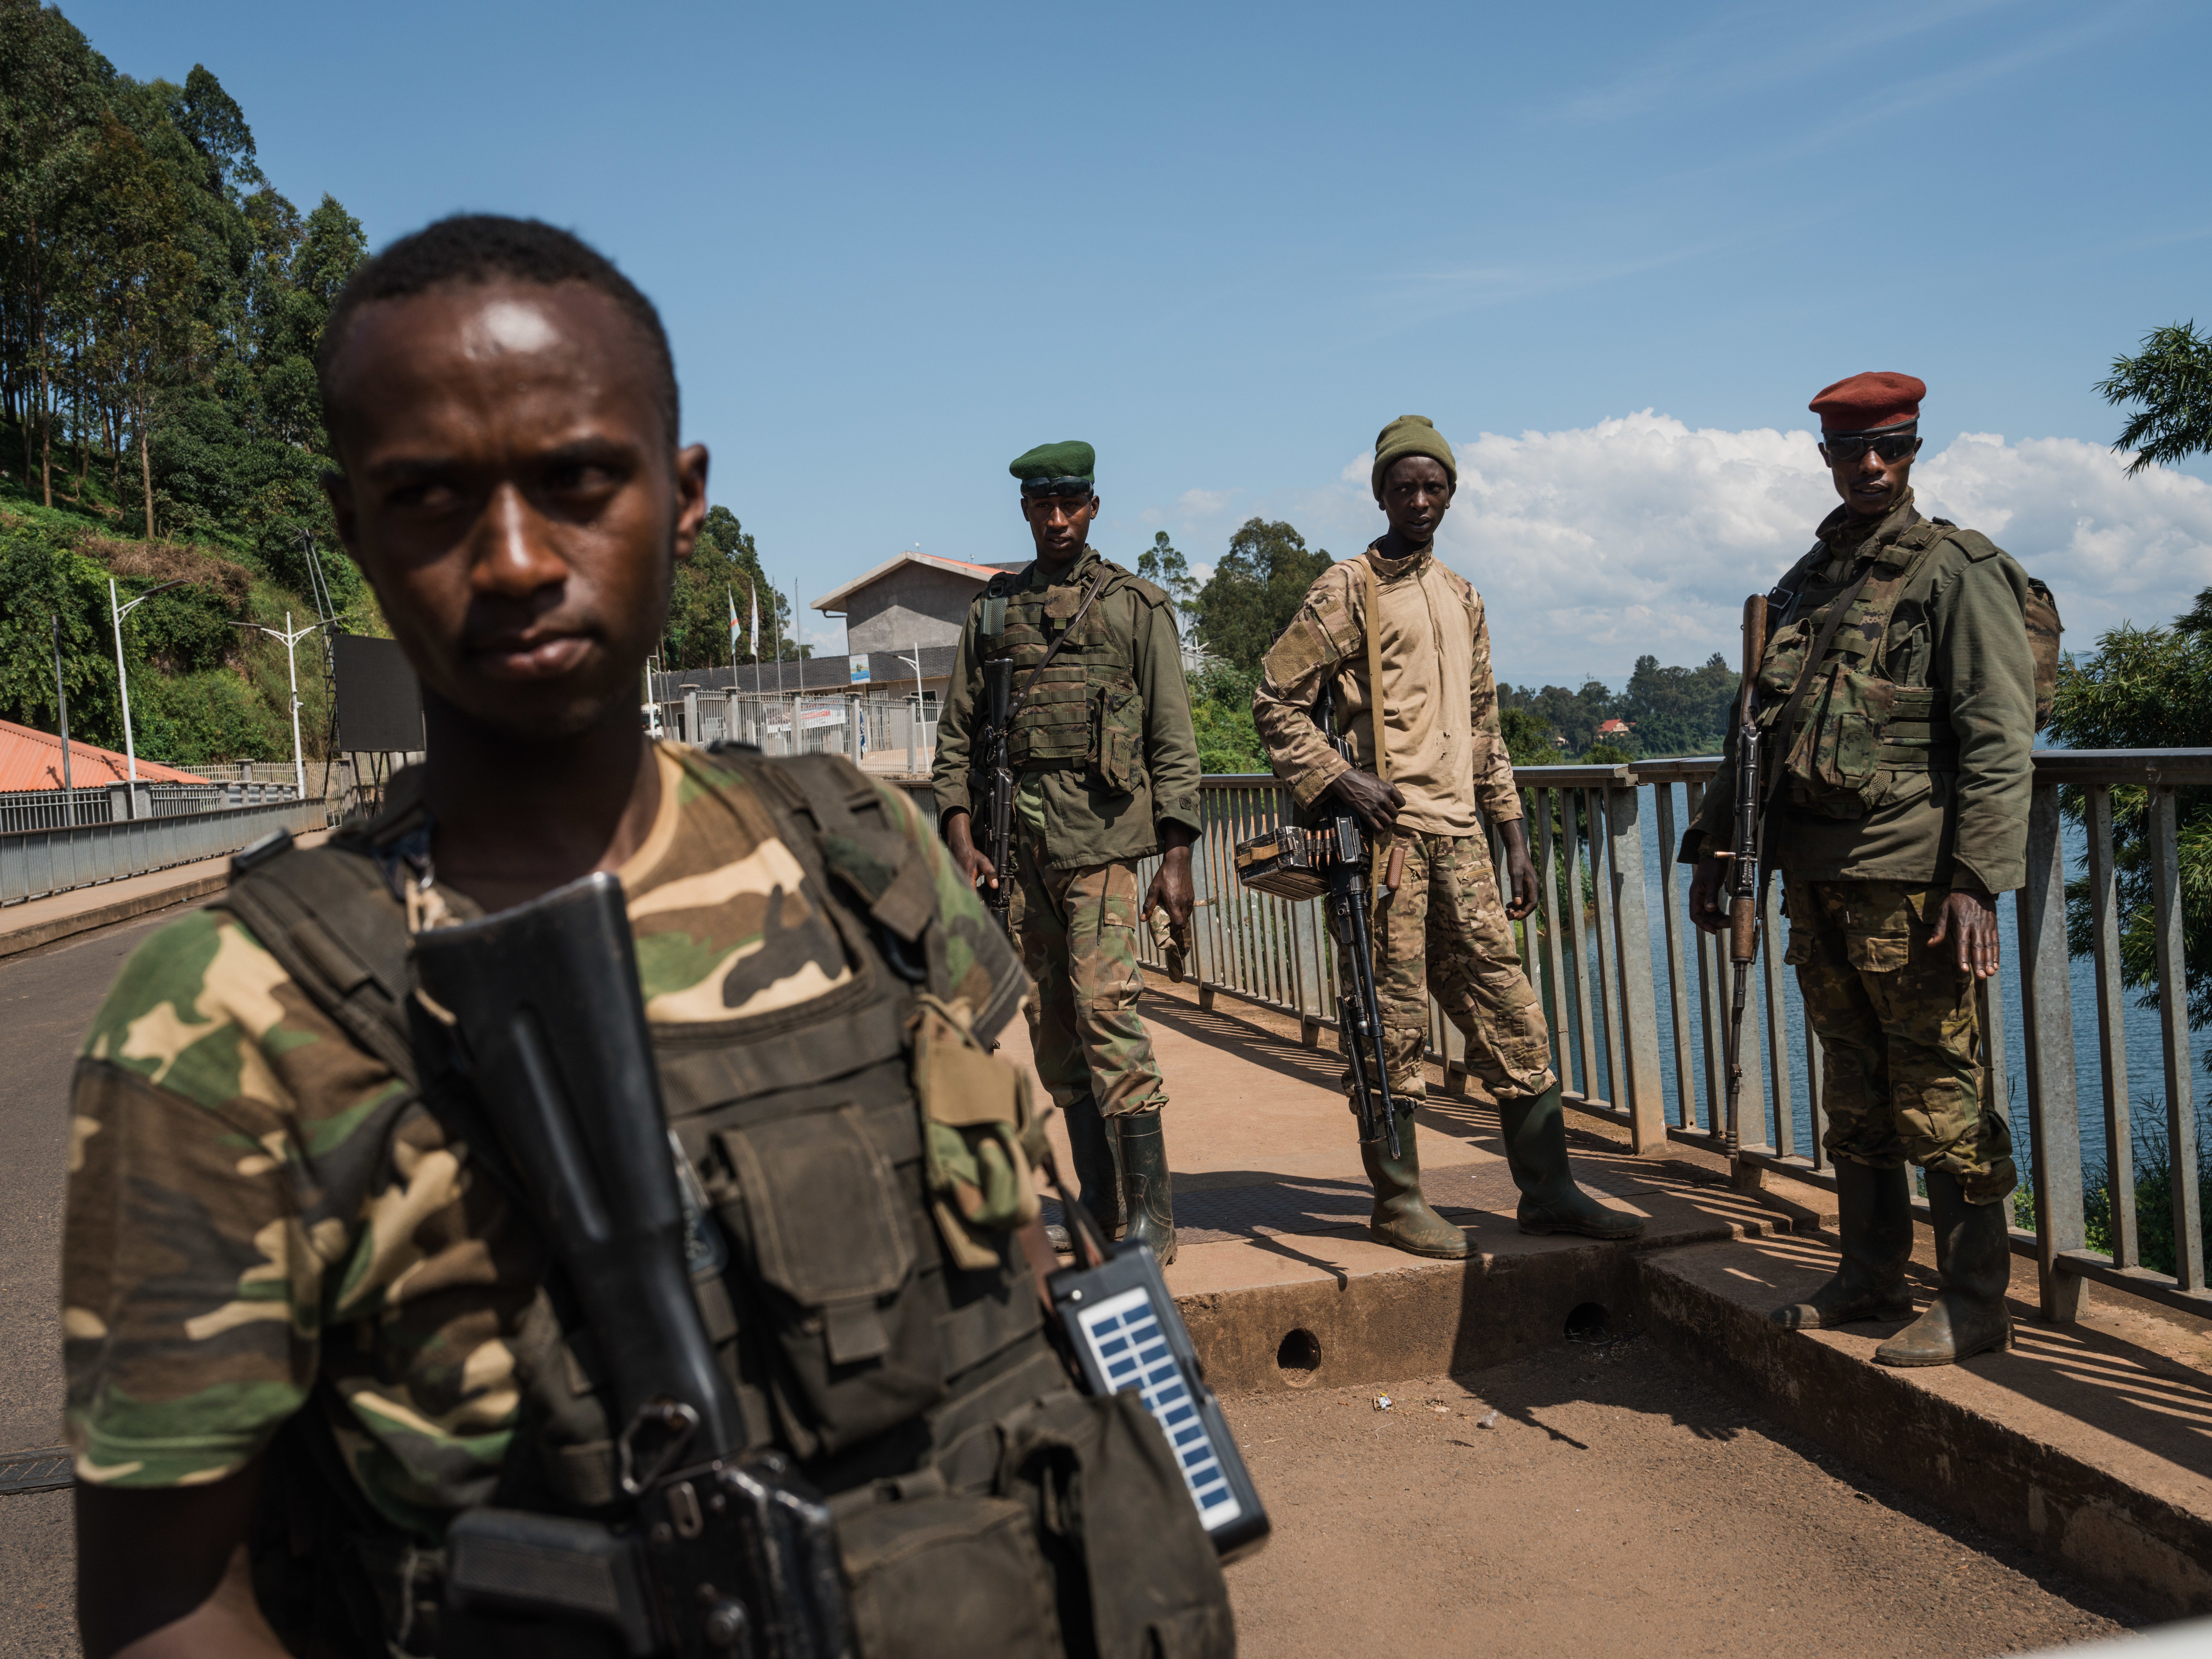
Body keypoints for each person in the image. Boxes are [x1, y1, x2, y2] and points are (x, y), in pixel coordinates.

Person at [62, 216, 1231, 1659]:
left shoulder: (864, 850)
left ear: (681, 502)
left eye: (576, 480)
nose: (509, 557)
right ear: (353, 525)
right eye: (430, 494)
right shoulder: (227, 1017)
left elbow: (1029, 1258)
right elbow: (169, 1593)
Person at [1685, 370, 2037, 1368]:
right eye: (1852, 451)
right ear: (1827, 457)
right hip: (1814, 875)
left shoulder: (1954, 571)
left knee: (1941, 1089)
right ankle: (1870, 1273)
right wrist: (1719, 847)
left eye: (1890, 448)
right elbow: (1755, 727)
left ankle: (1974, 1301)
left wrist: (1976, 880)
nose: (1871, 466)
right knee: (1854, 1088)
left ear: (1914, 449)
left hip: (1914, 885)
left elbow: (1996, 738)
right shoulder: (1809, 579)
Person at [1251, 415, 1644, 1257]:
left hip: (1461, 839)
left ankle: (1548, 1191)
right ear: (1381, 494)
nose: (1419, 501)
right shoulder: (1344, 589)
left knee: (1513, 1013)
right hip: (1385, 846)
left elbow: (1484, 727)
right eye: (1404, 487)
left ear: (1451, 494)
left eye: (1433, 488)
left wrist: (1511, 836)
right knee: (1387, 1023)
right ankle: (1397, 1201)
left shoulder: (1461, 594)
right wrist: (1338, 778)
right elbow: (1273, 701)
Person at [932, 443, 1202, 1264]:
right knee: (1053, 1032)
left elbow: (1172, 741)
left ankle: (1154, 1217)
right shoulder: (989, 613)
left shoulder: (1134, 607)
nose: (1056, 519)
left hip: (1105, 844)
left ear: (1093, 506)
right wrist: (960, 835)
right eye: (1042, 506)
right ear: (1025, 511)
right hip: (1020, 855)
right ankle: (1100, 1195)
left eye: (1070, 504)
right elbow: (954, 743)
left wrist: (1176, 857)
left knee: (1108, 1013)